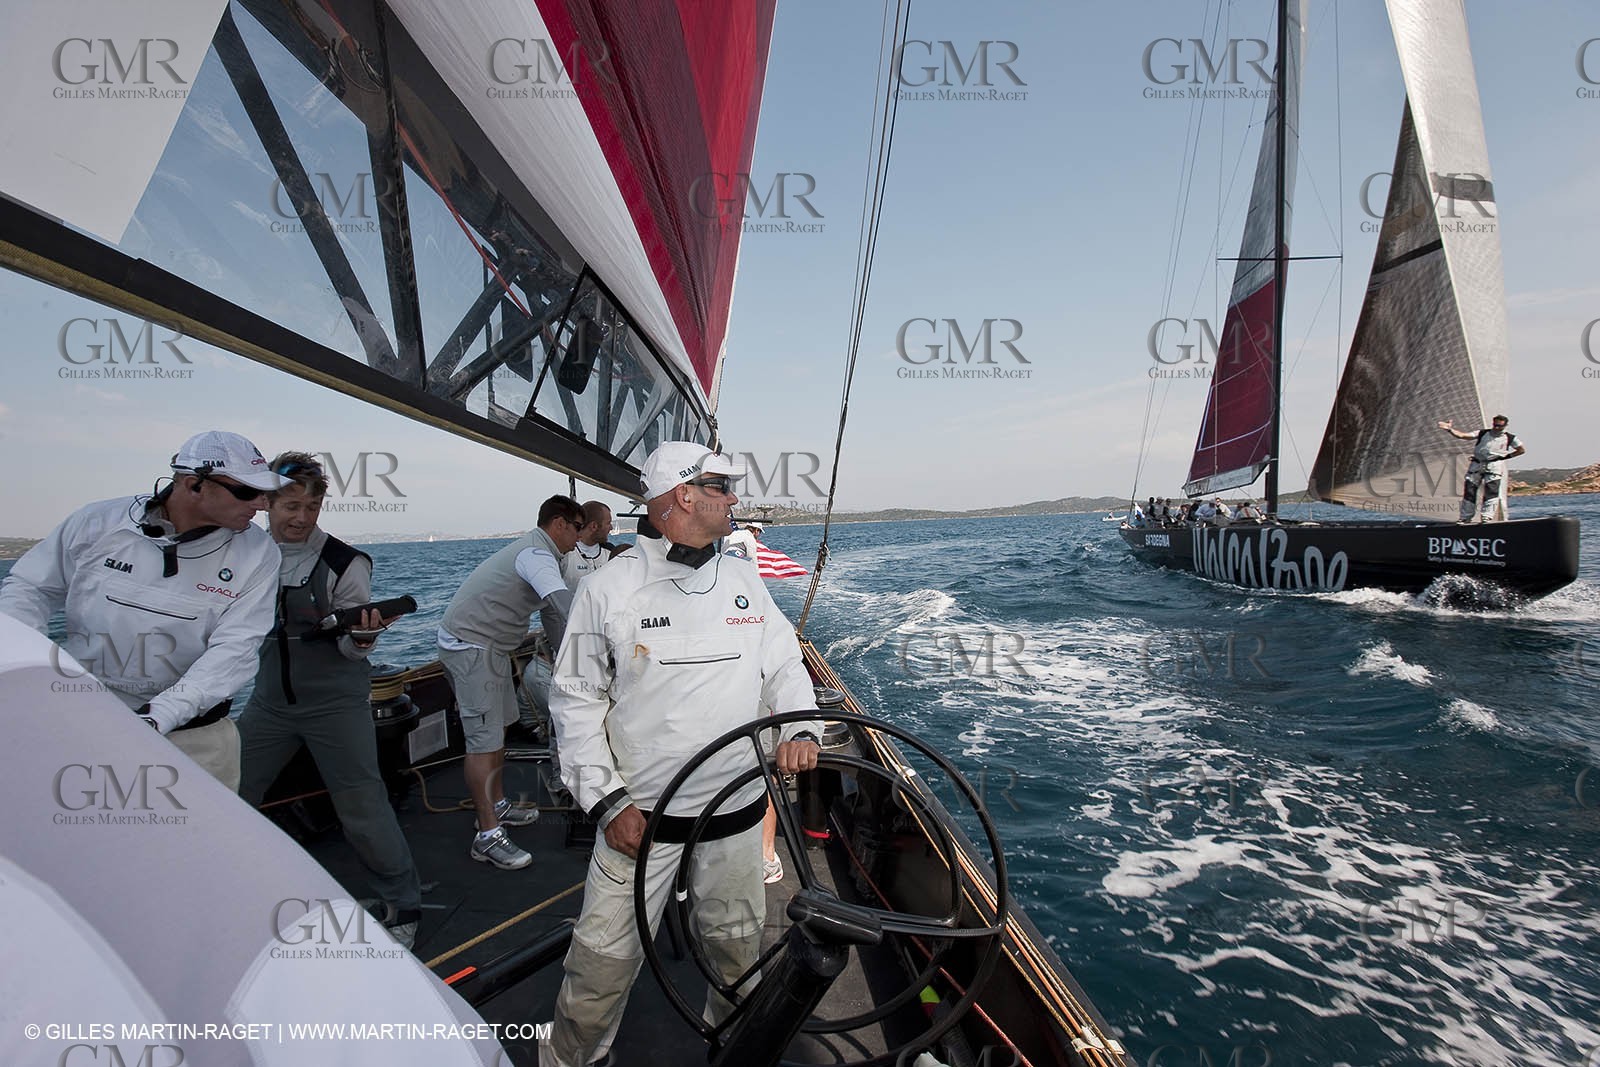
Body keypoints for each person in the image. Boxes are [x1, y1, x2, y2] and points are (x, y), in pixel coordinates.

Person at [542, 442, 821, 1067]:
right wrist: (606, 801)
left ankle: (734, 1054)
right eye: (721, 486)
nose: (734, 498)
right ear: (680, 497)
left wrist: (799, 733)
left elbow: (784, 667)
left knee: (736, 954)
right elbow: (575, 701)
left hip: (737, 816)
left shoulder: (744, 577)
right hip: (640, 824)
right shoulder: (608, 590)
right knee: (600, 966)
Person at [0, 430, 286, 789]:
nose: (262, 504)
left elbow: (236, 650)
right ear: (192, 484)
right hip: (82, 721)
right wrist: (24, 673)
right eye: (247, 491)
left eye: (267, 492)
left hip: (195, 738)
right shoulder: (95, 523)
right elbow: (30, 589)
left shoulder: (260, 554)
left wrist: (157, 717)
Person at [235, 453, 423, 949]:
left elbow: (349, 645)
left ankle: (402, 900)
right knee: (228, 792)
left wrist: (362, 639)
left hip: (335, 704)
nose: (301, 518)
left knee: (362, 806)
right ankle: (228, 890)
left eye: (312, 508)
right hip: (267, 703)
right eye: (290, 506)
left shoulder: (345, 562)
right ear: (266, 504)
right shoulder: (242, 552)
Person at [438, 495, 585, 869]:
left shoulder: (549, 556)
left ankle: (497, 804)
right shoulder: (535, 556)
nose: (579, 537)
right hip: (470, 647)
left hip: (492, 649)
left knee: (499, 732)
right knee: (482, 742)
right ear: (558, 524)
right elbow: (561, 603)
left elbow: (554, 619)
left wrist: (572, 657)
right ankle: (487, 836)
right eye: (577, 528)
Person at [1438, 414, 1525, 522]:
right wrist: (1450, 430)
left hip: (1494, 466)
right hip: (1477, 465)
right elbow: (1462, 435)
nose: (1496, 428)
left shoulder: (1510, 437)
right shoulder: (1483, 433)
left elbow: (1521, 450)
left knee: (1491, 492)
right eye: (1495, 425)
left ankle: (1486, 517)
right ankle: (1465, 517)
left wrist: (1506, 456)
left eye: (1500, 426)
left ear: (1505, 426)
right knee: (1470, 490)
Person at [561, 500, 614, 592]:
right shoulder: (565, 554)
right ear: (594, 526)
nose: (611, 528)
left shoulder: (611, 553)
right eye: (608, 523)